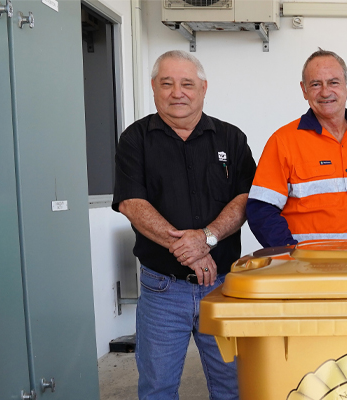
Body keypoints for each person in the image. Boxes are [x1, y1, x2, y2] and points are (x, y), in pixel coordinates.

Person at [112, 50, 255, 400]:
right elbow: (132, 203)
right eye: (167, 83)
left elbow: (246, 198)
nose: (178, 92)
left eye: (187, 84)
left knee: (232, 387)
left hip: (222, 286)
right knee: (157, 388)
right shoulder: (135, 140)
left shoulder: (231, 139)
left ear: (203, 89)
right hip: (163, 290)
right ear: (154, 88)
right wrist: (192, 251)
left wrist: (206, 238)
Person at [247, 49, 347, 246]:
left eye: (333, 82)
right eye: (315, 84)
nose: (325, 92)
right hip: (308, 271)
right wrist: (291, 255)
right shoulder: (283, 141)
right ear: (304, 90)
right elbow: (261, 209)